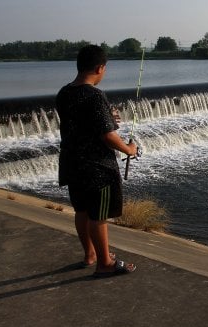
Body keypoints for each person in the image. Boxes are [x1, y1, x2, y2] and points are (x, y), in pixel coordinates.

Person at [56, 44, 137, 277]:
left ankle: (90, 255)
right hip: (97, 167)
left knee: (81, 211)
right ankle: (105, 263)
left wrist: (108, 119)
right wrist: (129, 149)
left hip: (72, 163)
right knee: (98, 216)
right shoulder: (94, 95)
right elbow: (107, 136)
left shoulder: (64, 92)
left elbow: (81, 122)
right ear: (100, 67)